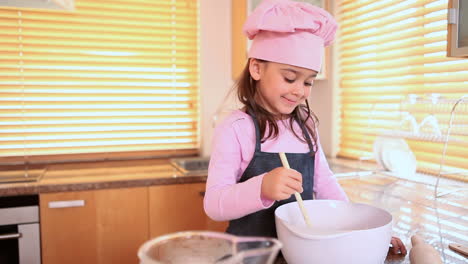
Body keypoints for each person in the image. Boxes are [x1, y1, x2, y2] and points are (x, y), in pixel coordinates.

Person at [204, 0, 406, 256]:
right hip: (249, 257)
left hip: (303, 254)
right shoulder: (236, 128)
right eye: (289, 78)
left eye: (308, 81)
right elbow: (214, 204)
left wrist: (366, 235)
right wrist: (262, 187)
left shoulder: (306, 126)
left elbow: (325, 185)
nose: (300, 90)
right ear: (256, 68)